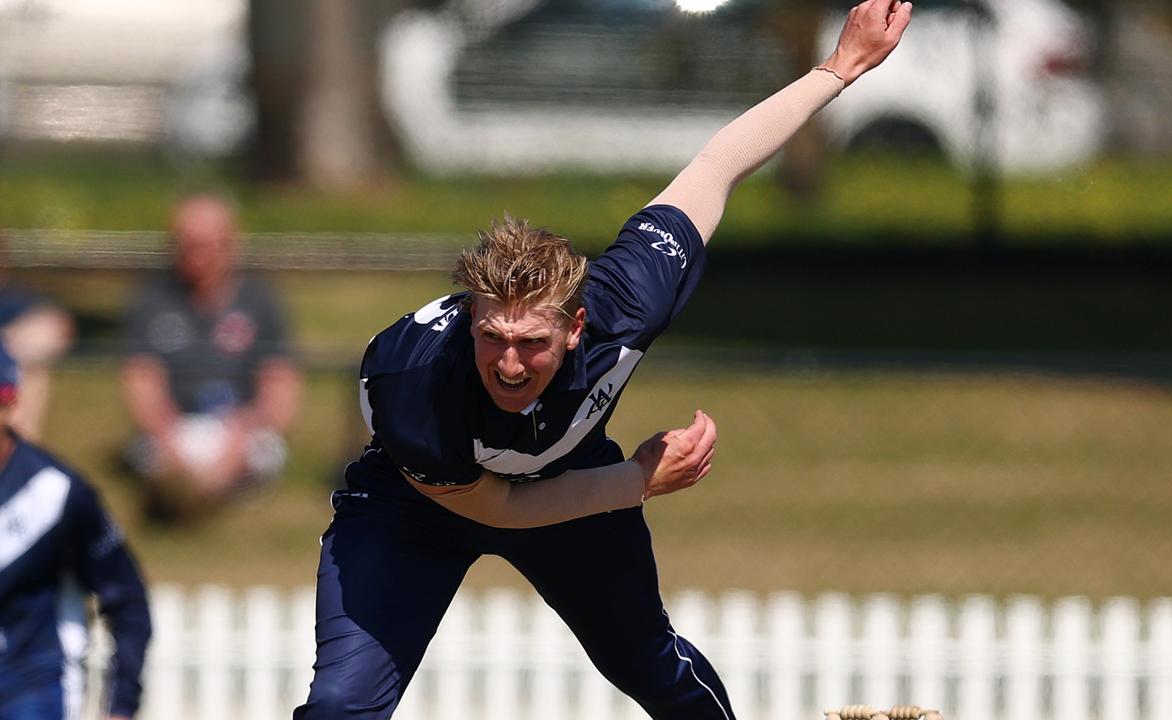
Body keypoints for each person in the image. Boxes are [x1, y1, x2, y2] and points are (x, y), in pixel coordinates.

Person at [294, 3, 911, 718]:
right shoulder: (414, 385)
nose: (510, 364)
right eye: (492, 336)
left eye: (533, 343)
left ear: (578, 327)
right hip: (416, 506)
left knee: (655, 671)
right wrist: (638, 480)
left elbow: (715, 168)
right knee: (339, 706)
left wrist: (836, 70)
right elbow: (500, 508)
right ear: (470, 317)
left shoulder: (625, 300)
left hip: (569, 482)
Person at [121, 194, 302, 519]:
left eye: (206, 245)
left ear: (231, 244)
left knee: (265, 452)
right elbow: (141, 381)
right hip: (176, 426)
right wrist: (167, 436)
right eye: (187, 245)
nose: (197, 256)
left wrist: (243, 433)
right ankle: (186, 496)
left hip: (241, 427)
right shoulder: (151, 299)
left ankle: (201, 496)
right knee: (149, 455)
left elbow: (280, 383)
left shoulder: (260, 300)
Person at [0, 340, 152, 720]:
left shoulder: (58, 494)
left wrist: (121, 705)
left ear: (8, 401)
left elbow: (128, 600)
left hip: (35, 689)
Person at [0, 238, 75, 442]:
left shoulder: (15, 297)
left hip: (8, 375)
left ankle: (16, 448)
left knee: (33, 371)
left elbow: (59, 329)